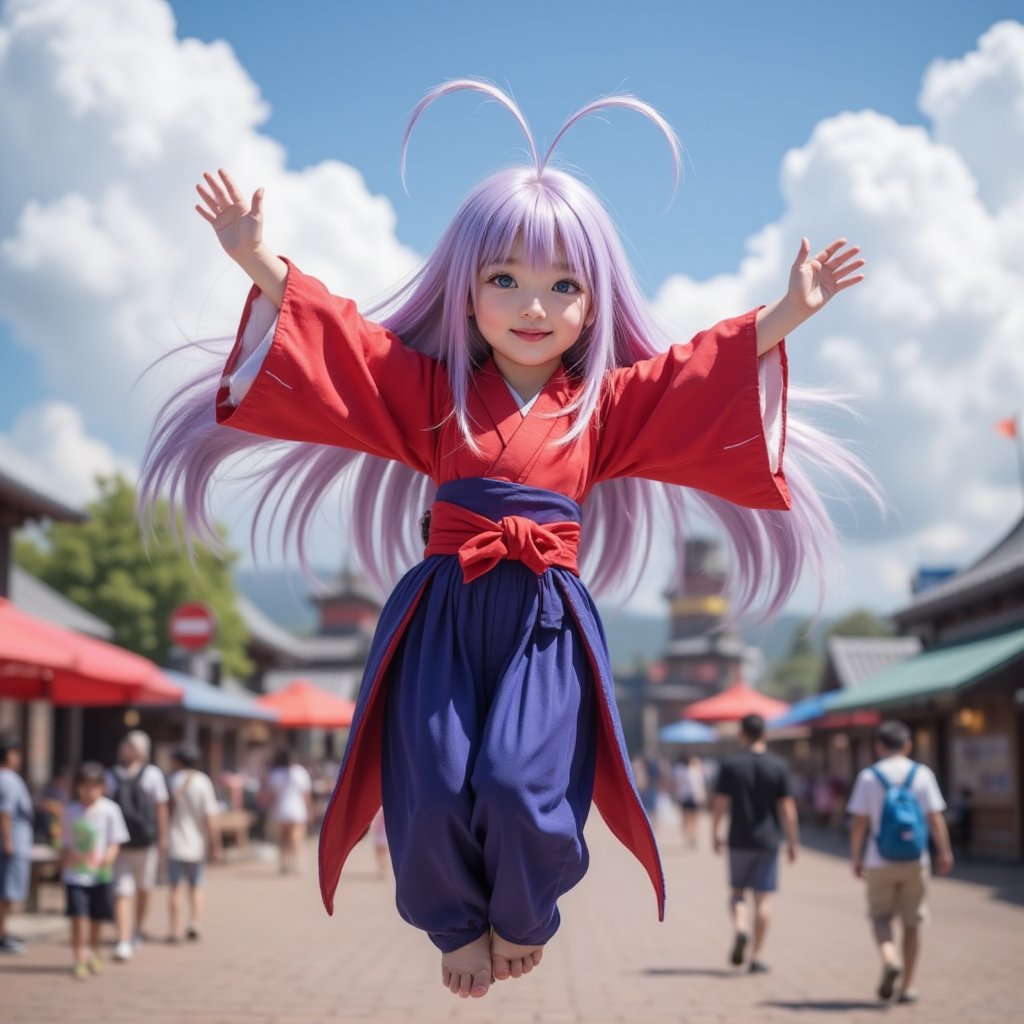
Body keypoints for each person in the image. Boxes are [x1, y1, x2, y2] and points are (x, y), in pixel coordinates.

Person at [141, 80, 872, 999]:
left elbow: (693, 377)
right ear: (469, 291)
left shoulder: (603, 406)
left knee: (522, 785)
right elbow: (352, 349)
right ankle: (455, 927)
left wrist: (788, 313)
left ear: (593, 303)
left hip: (544, 616)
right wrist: (262, 267)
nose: (536, 305)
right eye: (507, 281)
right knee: (439, 779)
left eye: (565, 285)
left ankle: (521, 917)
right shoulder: (431, 393)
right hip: (444, 602)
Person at [848, 720, 953, 1005]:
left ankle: (889, 957)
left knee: (880, 917)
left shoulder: (869, 777)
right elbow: (934, 817)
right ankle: (908, 985)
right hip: (915, 858)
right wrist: (944, 850)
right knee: (912, 922)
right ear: (908, 745)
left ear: (878, 746)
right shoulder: (922, 774)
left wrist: (856, 857)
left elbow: (859, 823)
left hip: (878, 858)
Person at [712, 713, 799, 973]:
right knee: (763, 899)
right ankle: (757, 955)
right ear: (765, 734)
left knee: (738, 892)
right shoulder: (778, 766)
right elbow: (788, 808)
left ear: (742, 734)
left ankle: (740, 927)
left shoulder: (731, 765)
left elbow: (720, 803)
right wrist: (793, 841)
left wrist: (715, 832)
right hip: (768, 840)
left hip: (738, 838)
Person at [62, 762, 129, 979]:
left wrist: (106, 859)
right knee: (78, 916)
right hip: (75, 874)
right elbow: (64, 842)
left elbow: (115, 842)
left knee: (96, 918)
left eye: (94, 786)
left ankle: (95, 951)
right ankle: (79, 956)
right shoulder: (70, 811)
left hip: (101, 874)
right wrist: (71, 856)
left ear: (102, 787)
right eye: (85, 786)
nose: (89, 792)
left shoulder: (110, 810)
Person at [107, 730, 169, 961]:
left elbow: (161, 807)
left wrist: (163, 836)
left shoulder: (152, 774)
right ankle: (124, 938)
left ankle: (138, 928)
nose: (126, 749)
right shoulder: (112, 774)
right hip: (121, 842)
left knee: (144, 887)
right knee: (122, 890)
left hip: (145, 841)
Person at [166, 744, 221, 942]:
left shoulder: (171, 781)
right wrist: (216, 845)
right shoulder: (202, 781)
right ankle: (195, 923)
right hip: (196, 843)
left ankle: (174, 929)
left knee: (175, 887)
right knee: (196, 885)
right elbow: (211, 816)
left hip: (174, 841)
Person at [0, 733, 33, 955]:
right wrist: (8, 841)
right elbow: (5, 813)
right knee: (6, 893)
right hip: (10, 845)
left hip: (12, 843)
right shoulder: (8, 779)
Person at [265, 749, 312, 875]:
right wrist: (309, 809)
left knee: (283, 838)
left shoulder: (276, 774)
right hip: (297, 809)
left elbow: (271, 795)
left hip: (281, 809)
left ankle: (284, 863)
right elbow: (306, 794)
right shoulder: (301, 772)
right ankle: (295, 862)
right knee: (296, 837)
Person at [672, 755, 707, 849]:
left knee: (694, 818)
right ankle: (687, 836)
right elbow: (676, 784)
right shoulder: (679, 770)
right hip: (684, 796)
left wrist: (702, 795)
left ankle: (694, 837)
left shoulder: (697, 770)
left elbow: (700, 784)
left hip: (695, 795)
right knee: (686, 817)